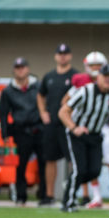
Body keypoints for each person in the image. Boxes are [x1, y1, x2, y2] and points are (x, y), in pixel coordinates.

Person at [58, 64, 109, 212]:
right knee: (80, 169)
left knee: (94, 171)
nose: (108, 79)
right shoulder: (86, 91)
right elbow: (63, 111)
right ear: (98, 77)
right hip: (78, 134)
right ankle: (68, 203)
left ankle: (72, 183)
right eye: (105, 76)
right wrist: (74, 127)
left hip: (96, 135)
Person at [0, 57, 45, 205]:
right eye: (17, 68)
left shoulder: (38, 86)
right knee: (21, 165)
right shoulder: (8, 91)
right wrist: (5, 134)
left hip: (39, 129)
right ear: (14, 70)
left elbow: (46, 105)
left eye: (23, 67)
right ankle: (21, 195)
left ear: (28, 69)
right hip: (21, 131)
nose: (20, 70)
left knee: (43, 163)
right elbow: (3, 113)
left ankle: (44, 194)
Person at [36, 43, 78, 206]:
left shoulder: (75, 76)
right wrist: (43, 112)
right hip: (52, 123)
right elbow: (40, 95)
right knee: (50, 159)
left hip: (68, 124)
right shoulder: (49, 76)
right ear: (56, 56)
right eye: (60, 54)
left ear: (70, 56)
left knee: (73, 160)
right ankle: (49, 195)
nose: (63, 56)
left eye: (65, 53)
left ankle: (76, 194)